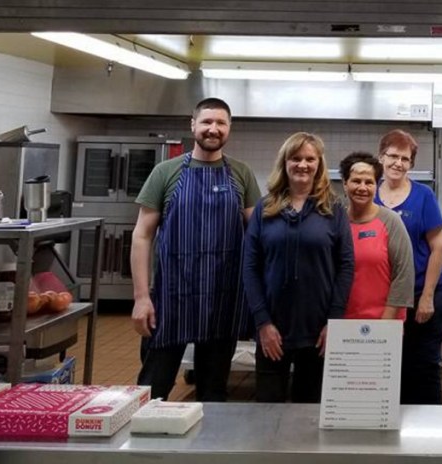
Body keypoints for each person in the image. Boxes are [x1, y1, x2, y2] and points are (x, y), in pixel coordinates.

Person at [130, 97, 262, 401]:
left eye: (220, 123)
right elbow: (141, 236)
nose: (213, 129)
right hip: (170, 296)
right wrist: (141, 297)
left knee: (213, 391)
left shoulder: (241, 174)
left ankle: (209, 445)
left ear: (229, 128)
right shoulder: (165, 172)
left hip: (223, 298)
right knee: (153, 387)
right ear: (193, 125)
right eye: (206, 122)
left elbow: (256, 236)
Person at [242, 132, 355, 403]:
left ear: (319, 164)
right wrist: (263, 322)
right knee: (268, 411)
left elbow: (346, 265)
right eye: (296, 158)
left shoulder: (333, 209)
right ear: (285, 163)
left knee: (309, 412)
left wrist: (334, 322)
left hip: (317, 331)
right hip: (273, 330)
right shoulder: (264, 209)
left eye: (310, 159)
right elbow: (250, 266)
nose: (302, 165)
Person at [375, 130, 442, 405]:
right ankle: (392, 424)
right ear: (381, 157)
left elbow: (438, 247)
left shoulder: (423, 196)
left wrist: (427, 297)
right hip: (387, 298)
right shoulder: (368, 193)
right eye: (393, 156)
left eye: (405, 158)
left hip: (424, 290)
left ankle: (427, 429)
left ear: (411, 163)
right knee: (388, 361)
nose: (398, 163)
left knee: (422, 364)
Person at [340, 151, 414, 321]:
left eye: (369, 182)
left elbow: (404, 274)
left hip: (383, 319)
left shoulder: (390, 221)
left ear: (376, 185)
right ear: (345, 183)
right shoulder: (336, 222)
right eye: (356, 181)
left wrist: (386, 322)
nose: (362, 188)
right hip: (341, 322)